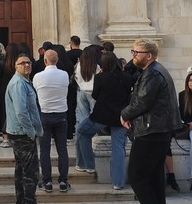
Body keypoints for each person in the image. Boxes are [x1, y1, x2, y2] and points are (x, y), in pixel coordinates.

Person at [120, 39, 182, 204]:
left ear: (148, 55)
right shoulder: (153, 70)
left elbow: (141, 101)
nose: (133, 55)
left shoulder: (153, 73)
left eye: (136, 52)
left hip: (152, 131)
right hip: (157, 129)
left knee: (136, 176)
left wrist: (125, 113)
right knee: (154, 176)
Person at [5, 53, 54, 204]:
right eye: (22, 63)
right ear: (15, 66)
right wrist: (31, 132)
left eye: (28, 62)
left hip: (18, 133)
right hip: (22, 134)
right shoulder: (19, 84)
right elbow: (21, 112)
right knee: (31, 174)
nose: (26, 65)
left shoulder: (23, 82)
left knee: (21, 171)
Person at [77, 52, 133, 190]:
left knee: (82, 132)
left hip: (101, 115)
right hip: (121, 117)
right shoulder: (126, 77)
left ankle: (88, 165)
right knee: (118, 148)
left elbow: (95, 95)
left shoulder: (101, 77)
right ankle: (118, 182)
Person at [33, 49, 71, 192]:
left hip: (45, 114)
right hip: (61, 114)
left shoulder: (38, 76)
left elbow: (36, 91)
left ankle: (47, 181)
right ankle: (63, 181)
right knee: (62, 149)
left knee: (44, 150)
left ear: (45, 61)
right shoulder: (64, 75)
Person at [73, 45, 99, 175]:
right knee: (94, 123)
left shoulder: (78, 65)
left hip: (82, 93)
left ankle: (81, 162)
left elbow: (77, 79)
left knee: (82, 125)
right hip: (93, 94)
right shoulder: (96, 67)